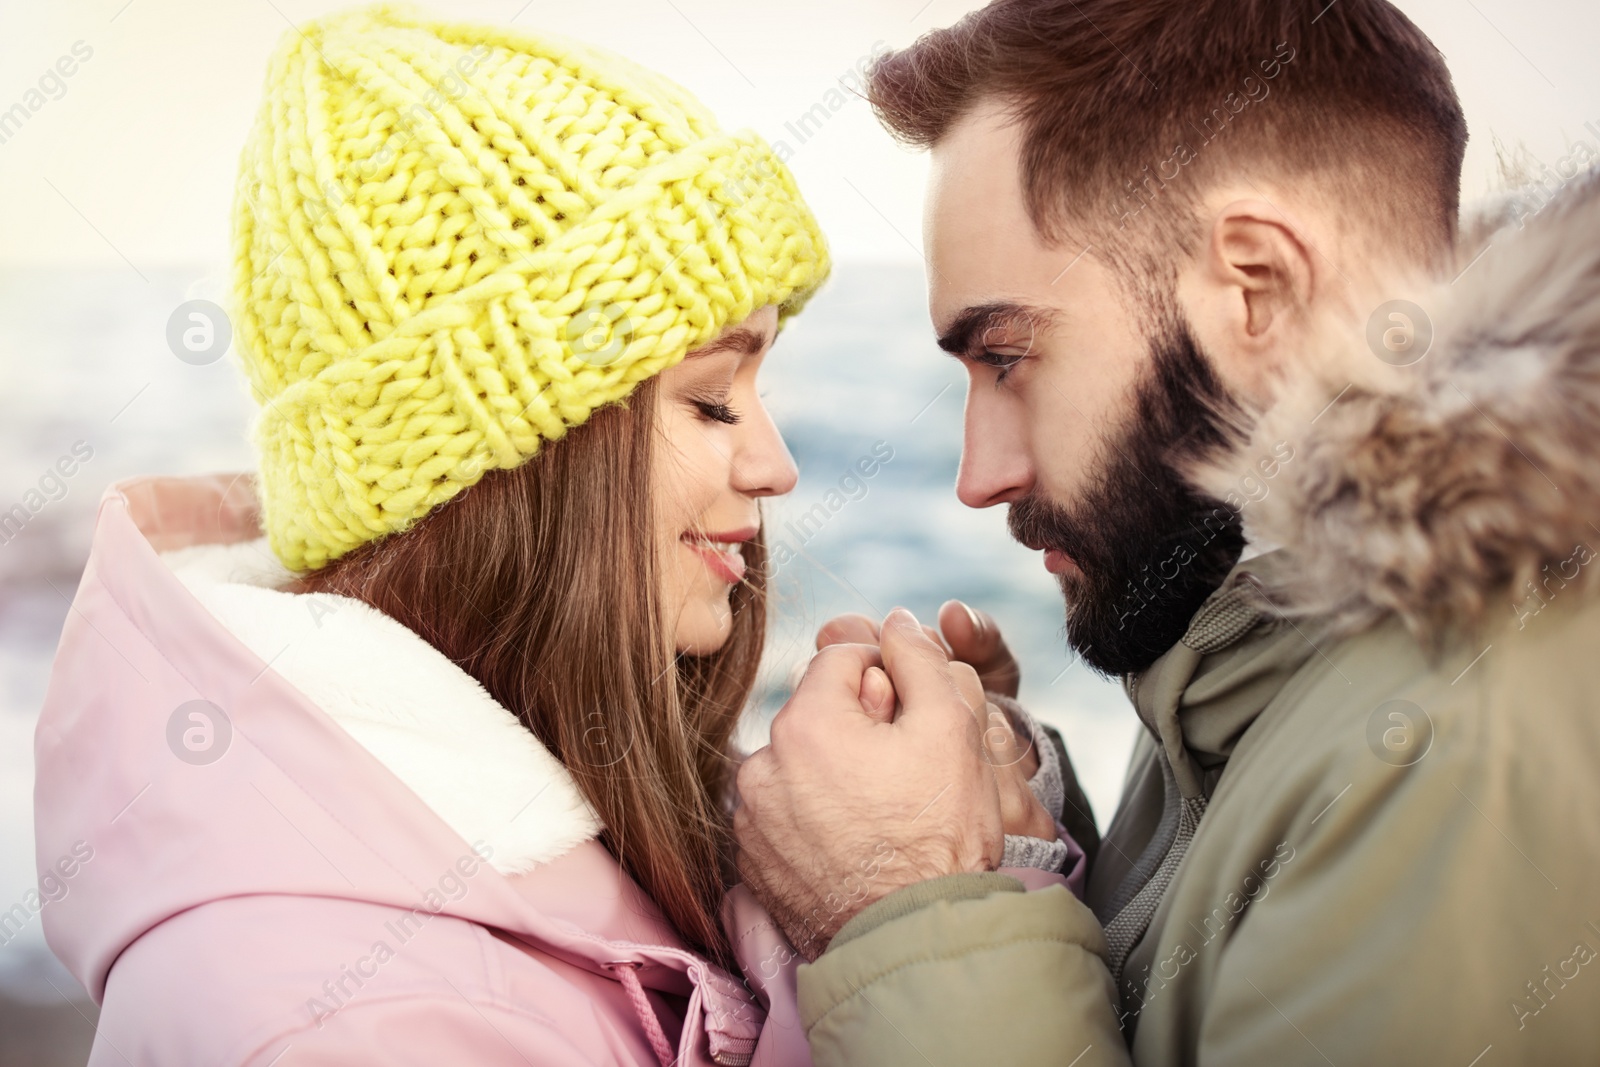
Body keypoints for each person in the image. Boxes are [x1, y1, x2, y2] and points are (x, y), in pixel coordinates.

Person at [32, 6, 1078, 1063]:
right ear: (512, 460)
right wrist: (910, 910)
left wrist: (969, 840)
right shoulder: (332, 1024)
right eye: (713, 398)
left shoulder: (572, 826)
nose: (773, 463)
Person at [733, 0, 1600, 1063]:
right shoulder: (1261, 610)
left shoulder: (1464, 756)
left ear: (1257, 287)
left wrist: (911, 903)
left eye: (1008, 358)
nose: (977, 475)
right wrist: (1007, 827)